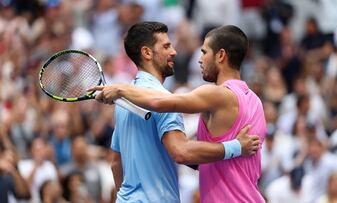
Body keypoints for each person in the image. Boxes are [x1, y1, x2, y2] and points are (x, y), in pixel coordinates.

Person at [90, 23, 266, 202]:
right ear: (147, 53)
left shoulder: (127, 102)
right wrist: (235, 147)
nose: (175, 52)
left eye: (204, 52)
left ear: (221, 55)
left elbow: (116, 163)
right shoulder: (256, 102)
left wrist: (121, 90)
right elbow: (184, 152)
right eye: (166, 46)